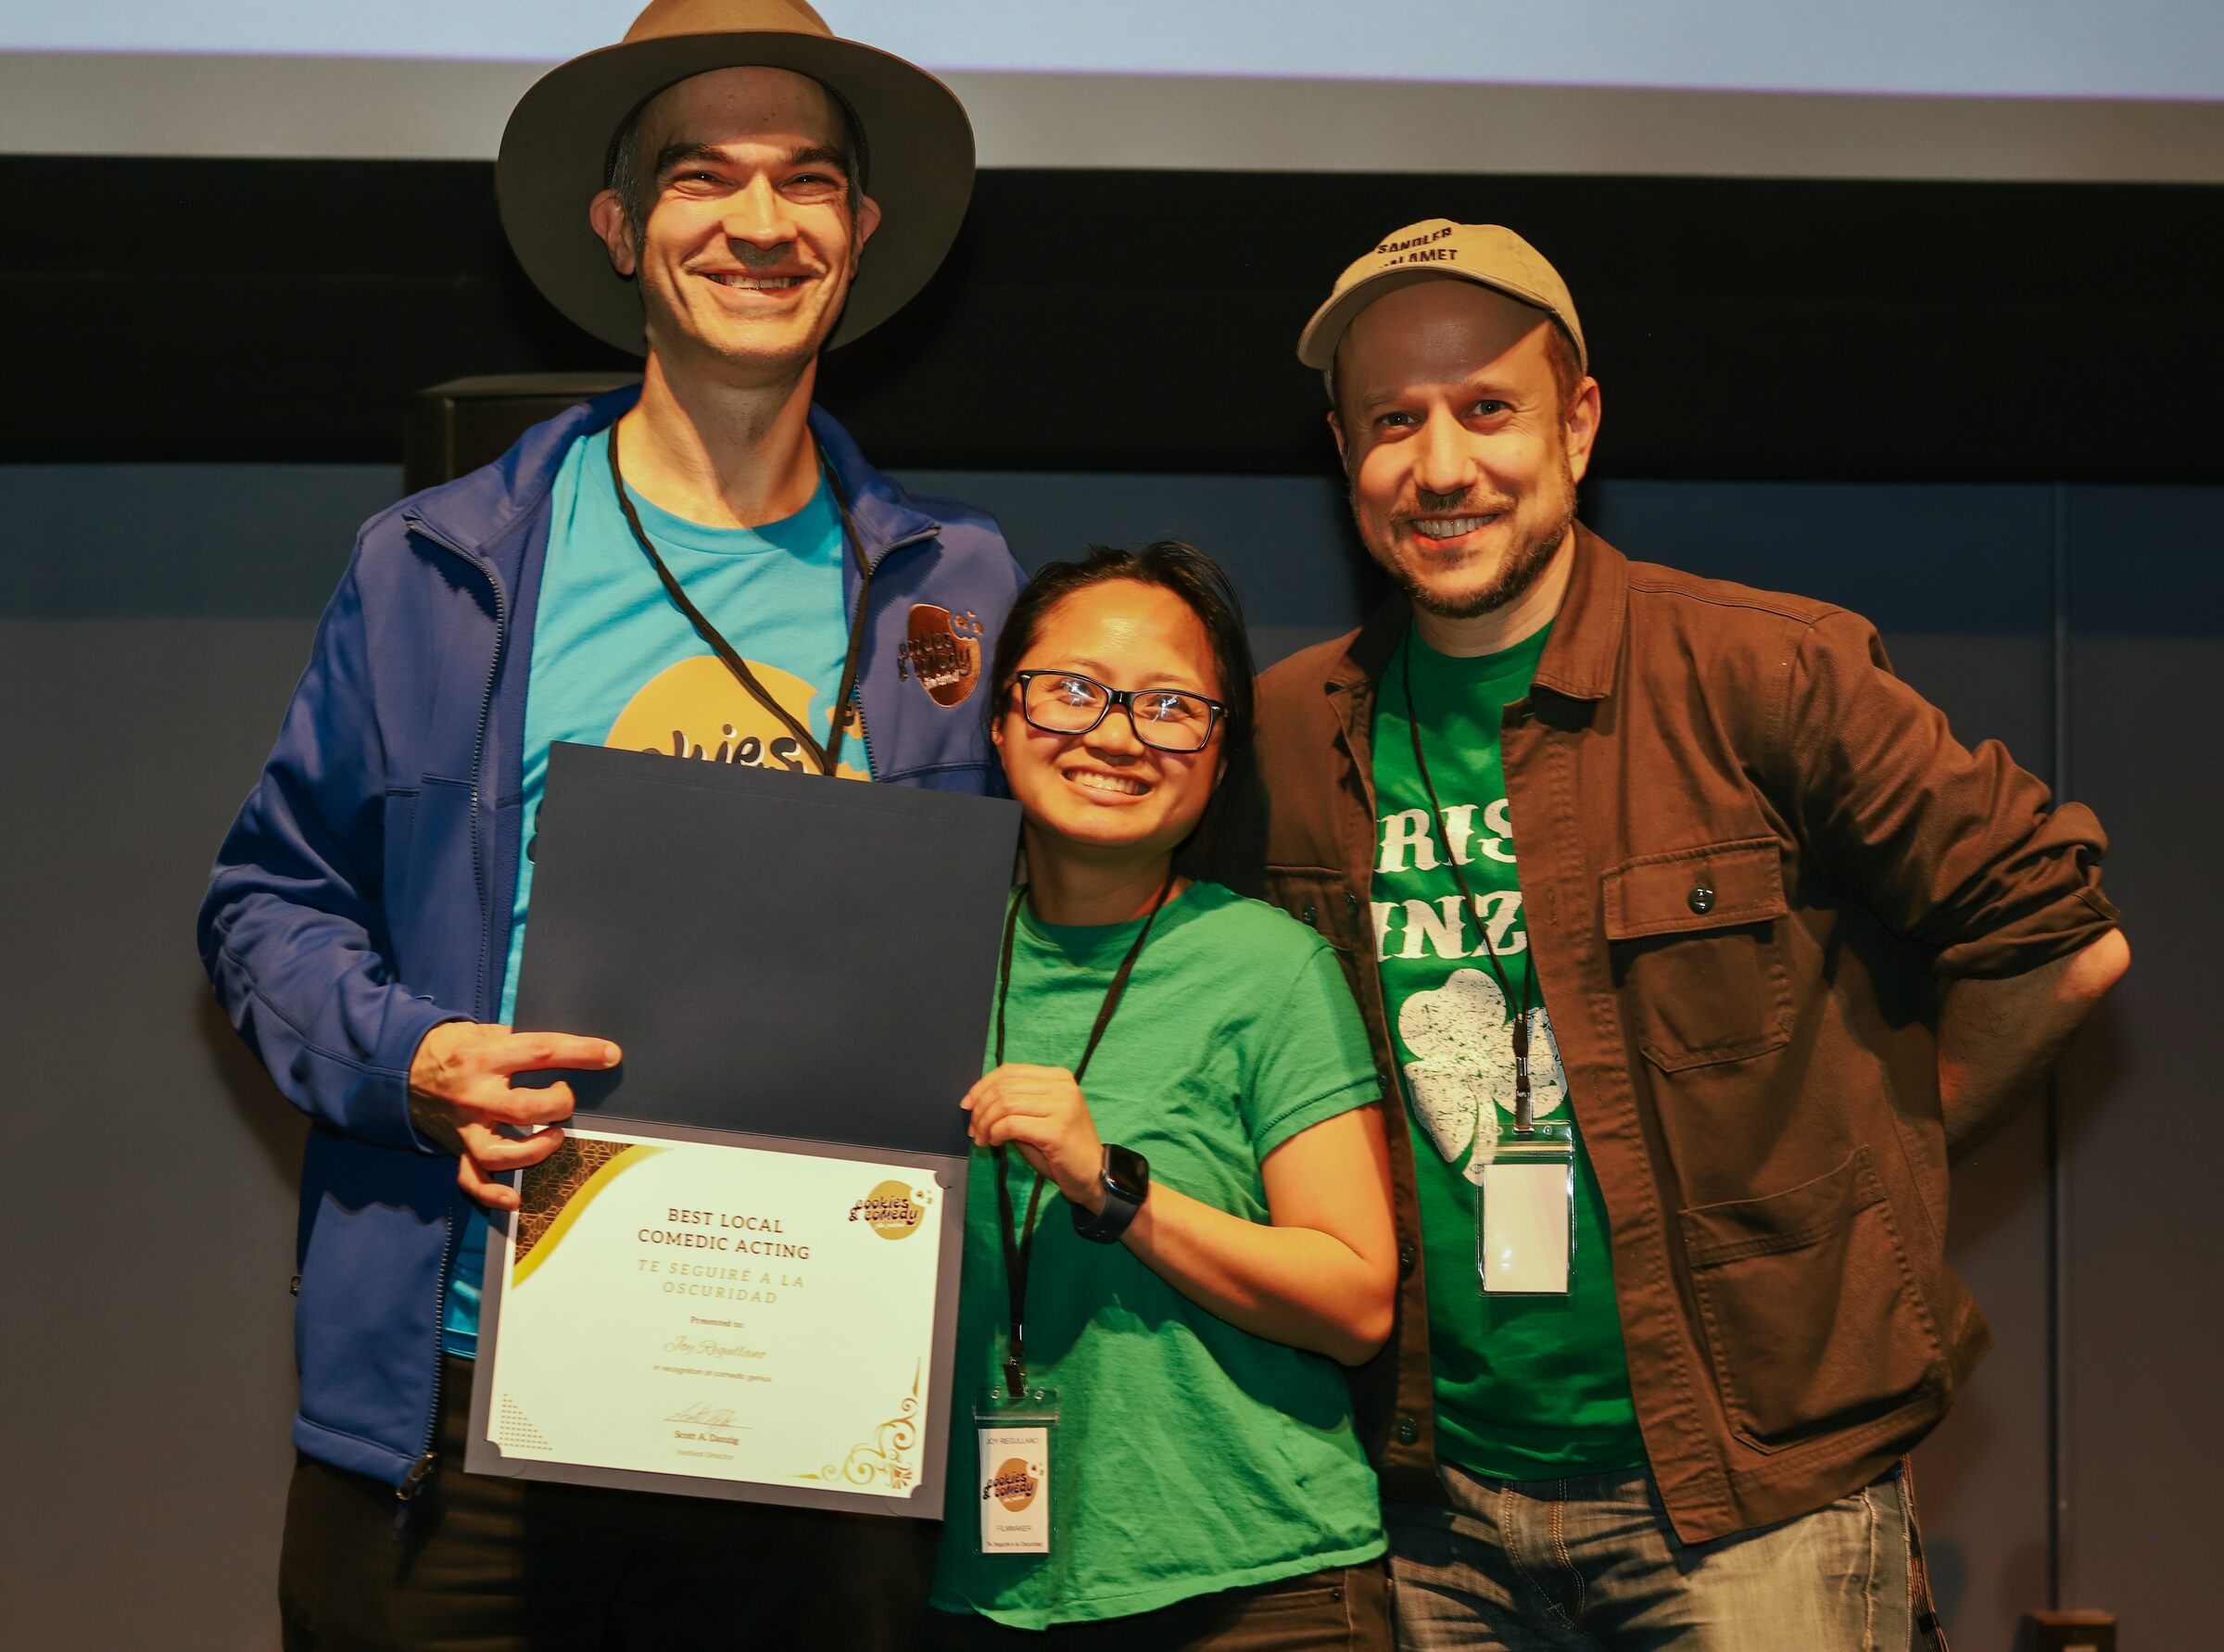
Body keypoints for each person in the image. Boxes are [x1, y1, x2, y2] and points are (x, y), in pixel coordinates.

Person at [196, 2, 1024, 1644]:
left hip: (814, 1401)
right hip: (460, 1386)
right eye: (703, 179)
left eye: (807, 183)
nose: (760, 224)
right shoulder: (434, 564)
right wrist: (414, 1060)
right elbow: (265, 906)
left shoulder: (962, 591)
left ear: (858, 229)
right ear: (623, 229)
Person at [1209, 220, 2131, 1649]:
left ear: (1578, 424)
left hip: (1756, 1497)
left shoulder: (1767, 667)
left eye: (1488, 408)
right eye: (1394, 420)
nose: (1441, 463)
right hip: (1424, 1511)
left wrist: (1900, 1142)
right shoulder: (1276, 733)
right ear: (1343, 453)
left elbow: (2062, 940)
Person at [925, 543, 1400, 1647]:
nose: (1116, 733)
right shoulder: (920, 955)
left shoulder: (1268, 966)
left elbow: (1355, 1296)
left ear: (1220, 753)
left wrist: (1114, 1187)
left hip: (1252, 1583)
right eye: (1073, 690)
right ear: (1000, 720)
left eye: (1172, 705)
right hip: (973, 1591)